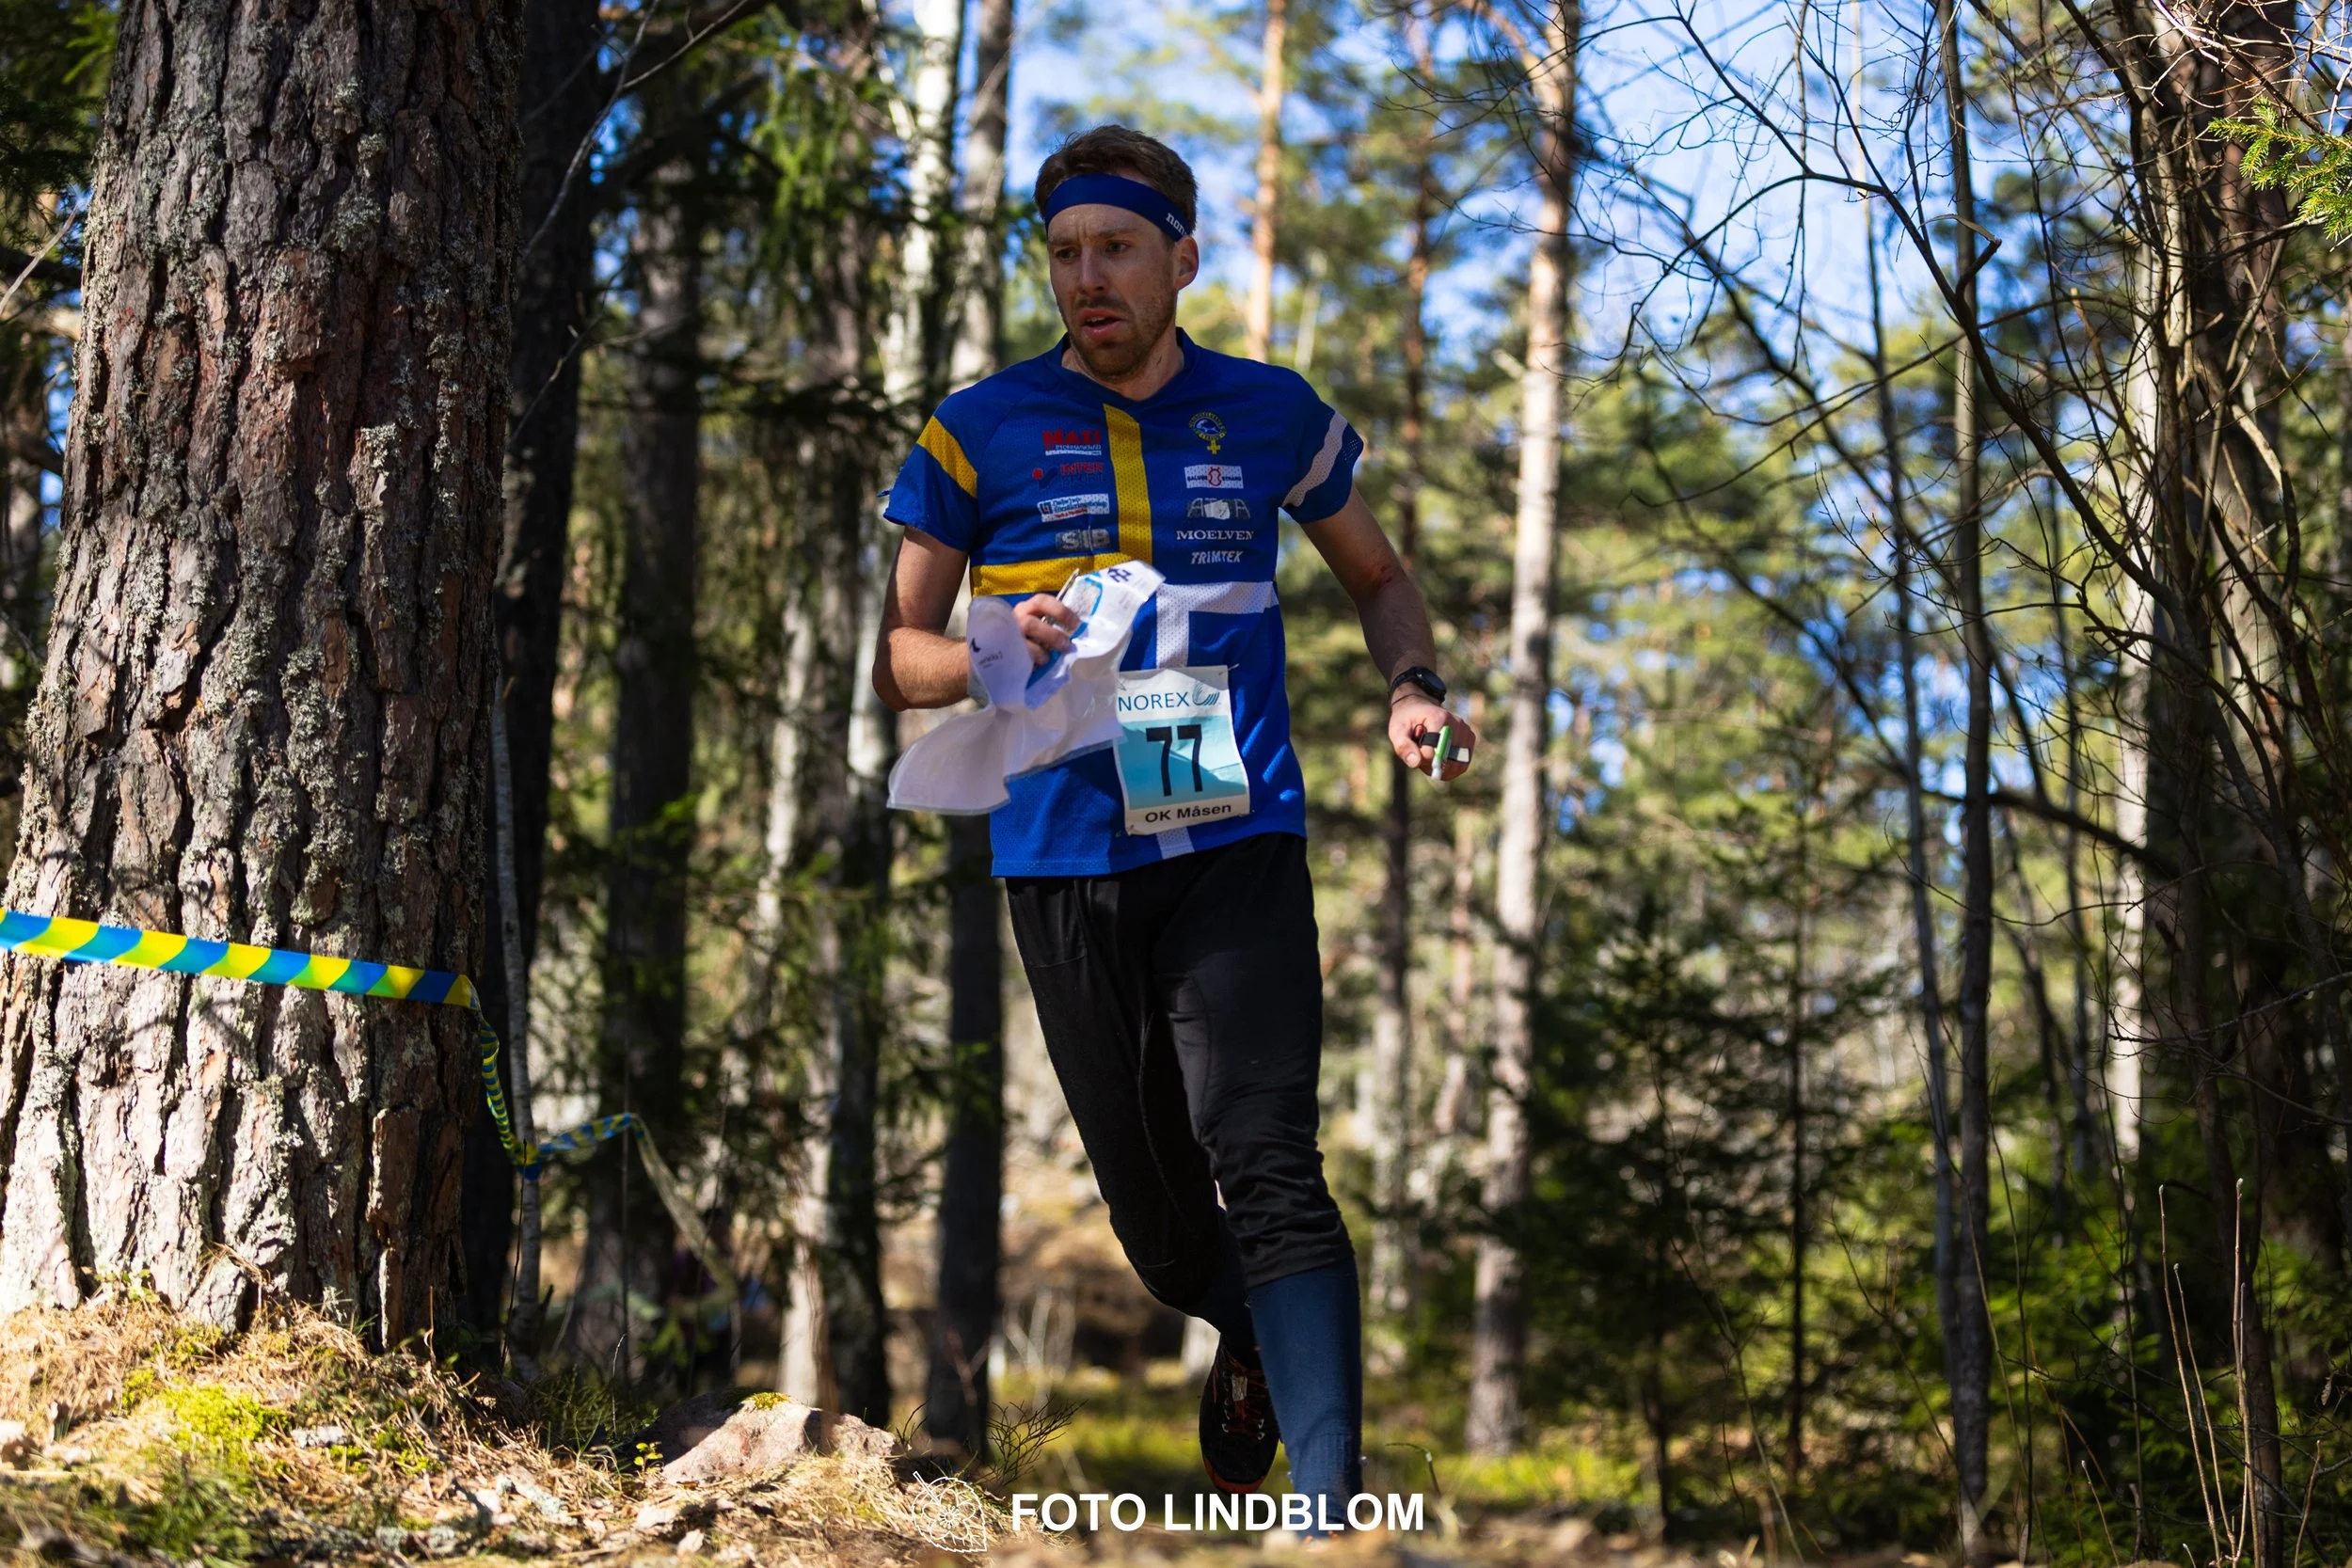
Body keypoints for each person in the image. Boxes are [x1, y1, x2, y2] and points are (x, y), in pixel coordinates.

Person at [873, 124, 1475, 1524]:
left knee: (1269, 1155)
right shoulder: (979, 428)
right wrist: (987, 645)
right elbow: (898, 657)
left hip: (1228, 820)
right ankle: (1249, 1324)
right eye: (1066, 253)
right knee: (1157, 1229)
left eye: (1117, 250)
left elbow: (1380, 576)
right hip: (1064, 847)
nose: (1089, 277)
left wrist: (1414, 683)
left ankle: (1328, 1515)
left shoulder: (1268, 412)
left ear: (1182, 259)